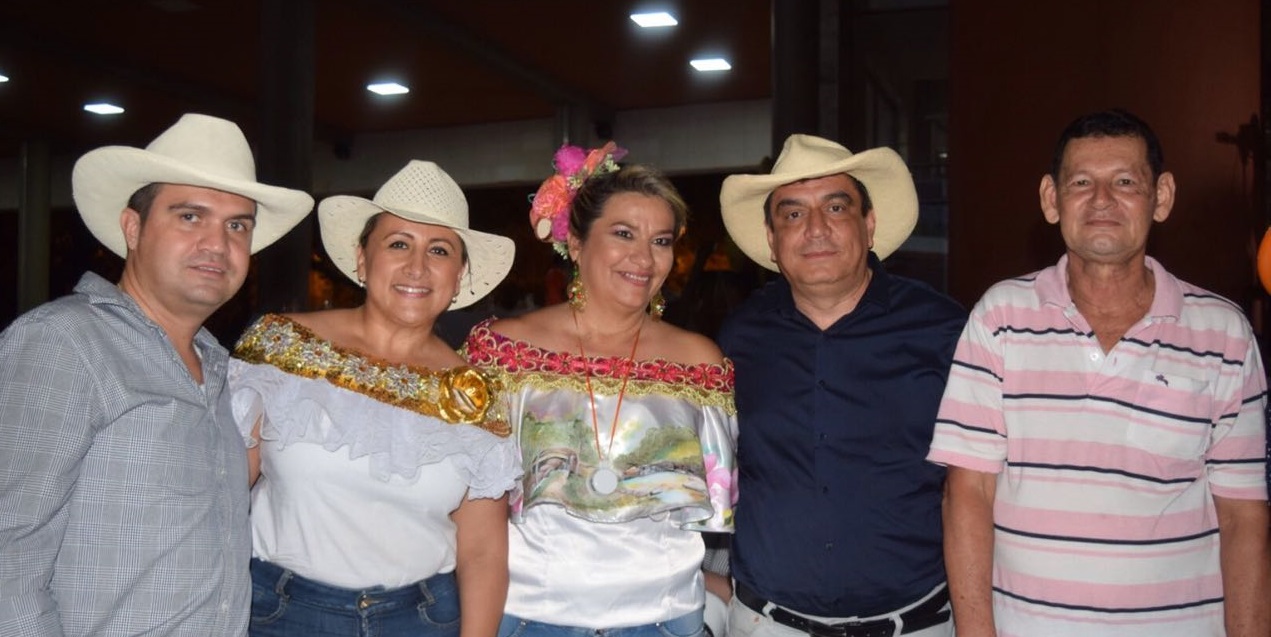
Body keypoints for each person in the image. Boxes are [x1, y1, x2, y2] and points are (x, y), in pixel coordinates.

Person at [929, 109, 1271, 636]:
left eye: (1126, 182)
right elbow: (968, 495)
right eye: (1082, 182)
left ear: (1162, 197)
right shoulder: (999, 318)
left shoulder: (1224, 333)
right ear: (1051, 199)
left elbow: (1244, 517)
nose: (1103, 200)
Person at [0, 113, 314, 636]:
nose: (218, 243)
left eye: (237, 225)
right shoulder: (65, 343)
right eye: (190, 217)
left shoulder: (220, 368)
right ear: (132, 227)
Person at [228, 160, 520, 637]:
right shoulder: (283, 347)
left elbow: (483, 552)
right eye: (398, 244)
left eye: (440, 250)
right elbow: (223, 490)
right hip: (281, 614)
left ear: (459, 274)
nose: (417, 267)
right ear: (363, 258)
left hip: (422, 620)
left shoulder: (475, 394)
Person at [463, 142, 738, 637]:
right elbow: (465, 504)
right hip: (529, 615)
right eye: (623, 234)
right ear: (575, 244)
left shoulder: (700, 361)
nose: (644, 257)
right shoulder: (503, 349)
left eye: (660, 240)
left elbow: (707, 516)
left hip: (665, 617)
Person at [716, 134, 965, 637]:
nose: (815, 229)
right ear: (771, 238)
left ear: (868, 225)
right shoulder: (738, 337)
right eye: (792, 214)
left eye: (836, 206)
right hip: (767, 625)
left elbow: (982, 486)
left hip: (918, 625)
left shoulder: (945, 330)